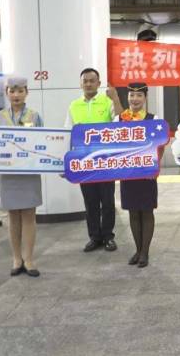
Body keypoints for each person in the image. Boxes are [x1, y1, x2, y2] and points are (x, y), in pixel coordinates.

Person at [65, 68, 123, 253]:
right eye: (85, 81)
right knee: (90, 202)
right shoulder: (74, 105)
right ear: (80, 84)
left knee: (107, 201)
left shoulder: (107, 102)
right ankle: (94, 237)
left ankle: (108, 236)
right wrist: (69, 162)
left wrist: (116, 98)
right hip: (85, 161)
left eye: (92, 81)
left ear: (99, 83)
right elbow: (69, 133)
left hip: (106, 161)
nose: (89, 84)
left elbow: (121, 122)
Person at [0, 77, 43, 277]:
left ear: (26, 92)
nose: (16, 95)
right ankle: (16, 258)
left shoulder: (34, 116)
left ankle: (29, 259)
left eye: (20, 91)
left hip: (29, 172)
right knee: (13, 216)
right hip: (8, 173)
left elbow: (43, 142)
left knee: (29, 215)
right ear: (7, 93)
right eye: (12, 91)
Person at [114, 83, 159, 268]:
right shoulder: (118, 119)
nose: (135, 99)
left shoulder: (153, 119)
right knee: (133, 211)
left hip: (147, 173)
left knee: (147, 211)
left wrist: (154, 168)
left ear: (145, 98)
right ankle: (138, 250)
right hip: (128, 172)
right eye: (131, 95)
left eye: (139, 95)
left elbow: (159, 146)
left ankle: (145, 252)